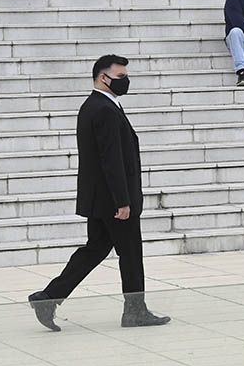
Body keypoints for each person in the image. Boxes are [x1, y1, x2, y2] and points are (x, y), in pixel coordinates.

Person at [28, 55, 171, 331]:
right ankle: (135, 310)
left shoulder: (95, 106)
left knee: (95, 249)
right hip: (113, 200)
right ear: (102, 78)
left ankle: (47, 298)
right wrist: (123, 201)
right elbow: (111, 159)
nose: (125, 81)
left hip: (100, 198)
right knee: (130, 253)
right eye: (120, 77)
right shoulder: (103, 109)